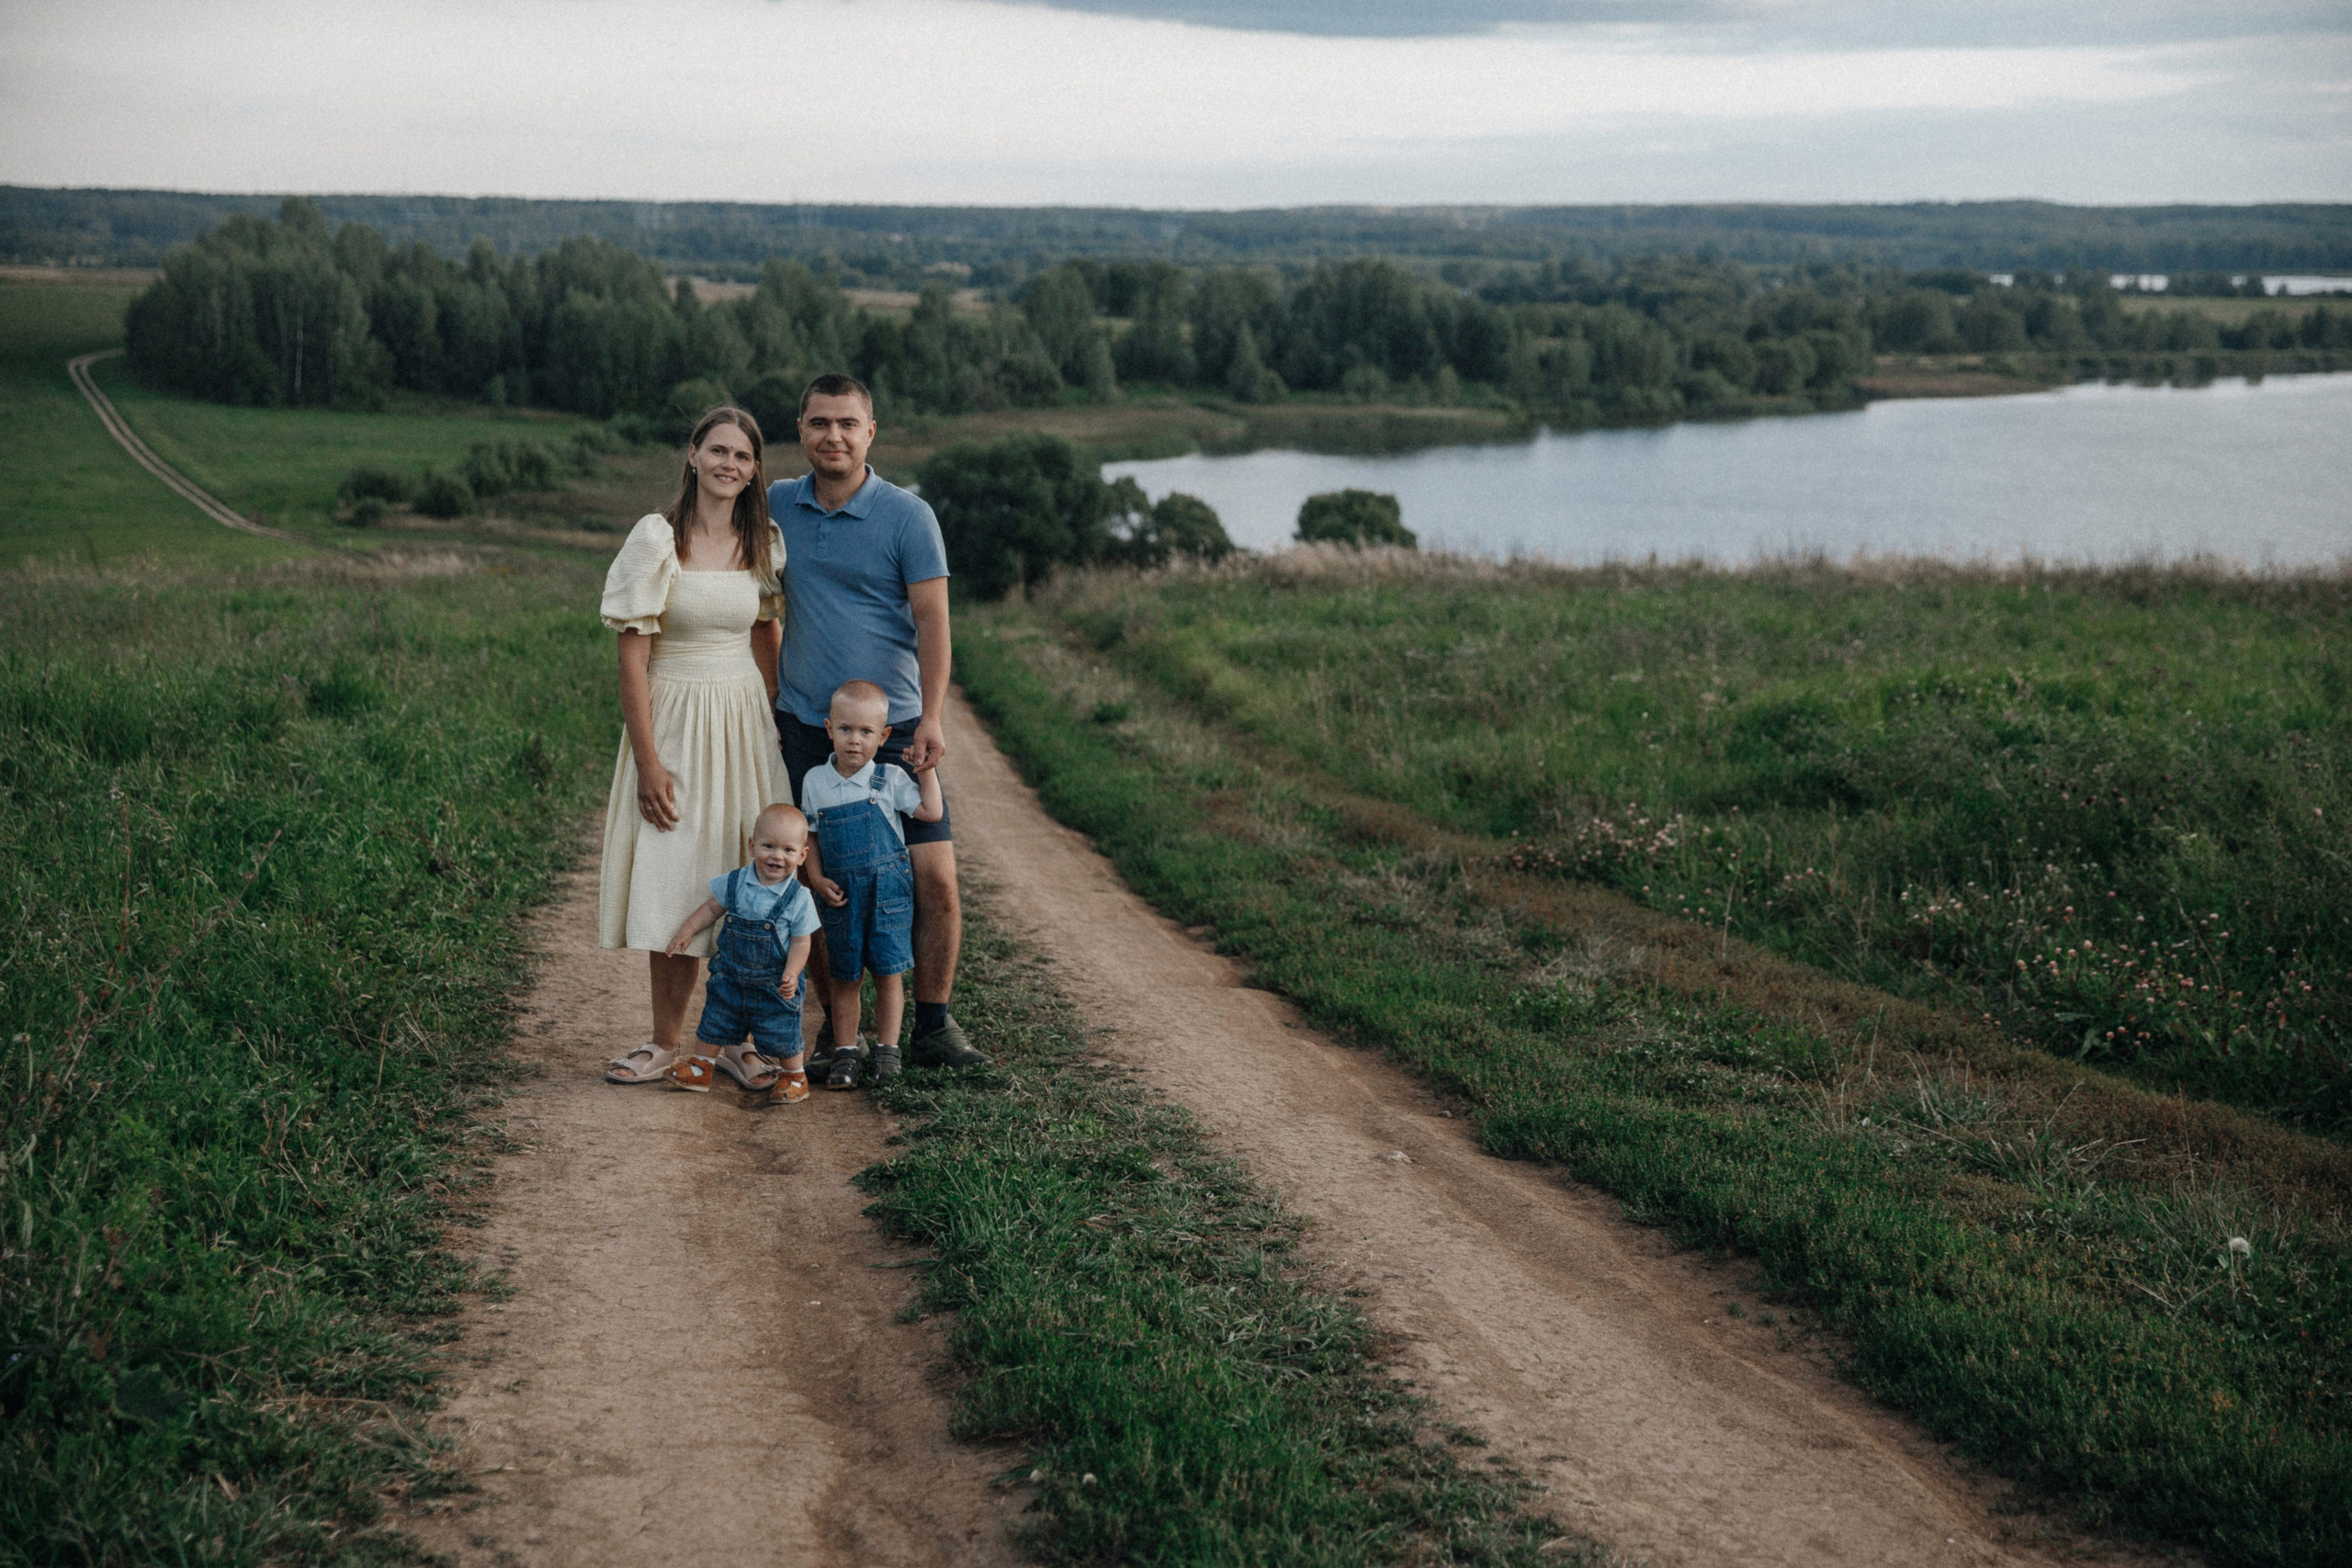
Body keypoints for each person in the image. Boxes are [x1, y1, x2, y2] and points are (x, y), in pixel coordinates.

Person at [768, 373, 989, 1072]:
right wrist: (773, 697)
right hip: (809, 727)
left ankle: (932, 1026)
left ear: (871, 432)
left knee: (935, 881)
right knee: (826, 886)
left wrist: (932, 716)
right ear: (801, 429)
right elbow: (754, 602)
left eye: (847, 423)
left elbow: (933, 621)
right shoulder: (773, 506)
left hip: (893, 734)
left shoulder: (907, 516)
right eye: (819, 422)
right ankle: (843, 1037)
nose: (833, 435)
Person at [598, 406, 792, 1093]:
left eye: (742, 455)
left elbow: (767, 632)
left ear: (754, 468)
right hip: (674, 715)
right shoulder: (657, 538)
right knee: (676, 872)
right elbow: (631, 660)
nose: (729, 464)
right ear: (692, 455)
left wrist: (777, 721)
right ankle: (663, 1042)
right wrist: (649, 759)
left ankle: (736, 1042)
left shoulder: (762, 539)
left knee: (749, 877)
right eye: (718, 450)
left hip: (742, 719)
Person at [800, 681, 943, 1088]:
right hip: (842, 896)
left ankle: (887, 1052)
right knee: (845, 976)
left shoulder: (889, 778)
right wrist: (816, 877)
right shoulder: (815, 781)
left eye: (866, 732)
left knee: (888, 973)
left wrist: (926, 771)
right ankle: (846, 1052)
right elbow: (810, 834)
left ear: (882, 737)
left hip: (887, 896)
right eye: (845, 729)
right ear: (829, 728)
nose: (854, 741)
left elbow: (930, 812)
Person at [662, 803, 820, 1102]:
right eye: (768, 846)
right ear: (752, 846)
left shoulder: (799, 898)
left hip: (775, 985)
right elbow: (712, 908)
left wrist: (792, 971)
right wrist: (687, 930)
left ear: (802, 856)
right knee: (714, 1022)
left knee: (783, 1032)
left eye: (788, 850)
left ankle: (795, 1076)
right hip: (731, 979)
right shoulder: (736, 882)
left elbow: (802, 941)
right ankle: (700, 1067)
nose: (777, 856)